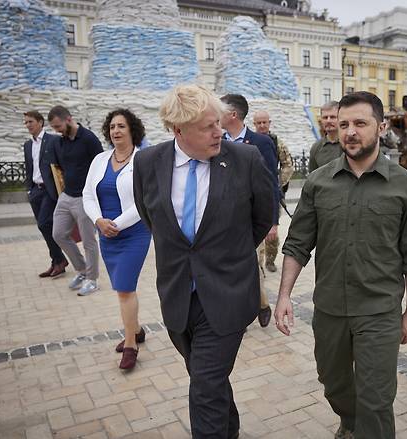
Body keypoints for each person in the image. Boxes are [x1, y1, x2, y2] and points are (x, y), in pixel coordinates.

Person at [274, 91, 407, 439]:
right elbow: (298, 244)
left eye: (360, 123)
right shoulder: (318, 182)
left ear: (381, 126)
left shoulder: (404, 185)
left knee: (376, 401)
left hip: (379, 311)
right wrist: (284, 295)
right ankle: (351, 421)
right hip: (330, 310)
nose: (350, 132)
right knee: (334, 385)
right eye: (344, 124)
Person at [133, 84, 273, 439]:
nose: (219, 132)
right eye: (208, 127)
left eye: (219, 123)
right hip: (179, 296)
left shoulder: (244, 160)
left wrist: (227, 255)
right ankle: (231, 429)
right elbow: (153, 218)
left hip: (228, 293)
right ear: (178, 131)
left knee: (205, 386)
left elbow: (262, 217)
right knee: (205, 377)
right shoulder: (148, 163)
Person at [82, 109, 152, 370]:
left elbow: (145, 199)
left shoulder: (143, 159)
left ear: (132, 130)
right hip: (105, 233)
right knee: (122, 288)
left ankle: (131, 344)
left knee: (124, 288)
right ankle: (136, 328)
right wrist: (99, 221)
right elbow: (87, 195)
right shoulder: (100, 159)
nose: (116, 131)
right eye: (112, 127)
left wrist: (118, 224)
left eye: (121, 126)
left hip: (134, 233)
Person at [220, 94, 280, 328]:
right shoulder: (218, 140)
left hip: (251, 217)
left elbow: (270, 185)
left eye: (220, 110)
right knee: (229, 266)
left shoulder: (261, 143)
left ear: (233, 114)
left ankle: (259, 304)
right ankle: (247, 309)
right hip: (223, 217)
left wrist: (272, 222)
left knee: (250, 264)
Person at [49, 105, 103, 296]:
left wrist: (96, 196)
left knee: (89, 241)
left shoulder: (89, 139)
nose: (57, 130)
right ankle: (81, 270)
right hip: (66, 196)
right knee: (58, 234)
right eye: (54, 128)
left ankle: (92, 279)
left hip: (85, 198)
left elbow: (101, 166)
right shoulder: (61, 141)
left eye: (58, 126)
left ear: (69, 119)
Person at [22, 110, 68, 278]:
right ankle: (56, 261)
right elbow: (28, 168)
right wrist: (29, 189)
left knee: (44, 224)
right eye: (26, 122)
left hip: (50, 191)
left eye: (30, 122)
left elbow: (62, 164)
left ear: (40, 122)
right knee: (44, 227)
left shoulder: (53, 140)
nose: (28, 125)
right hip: (35, 191)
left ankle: (59, 260)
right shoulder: (27, 145)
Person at [252, 109, 294, 273]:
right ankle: (258, 263)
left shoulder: (277, 142)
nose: (262, 125)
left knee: (272, 232)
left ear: (269, 123)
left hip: (271, 193)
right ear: (254, 124)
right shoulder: (249, 141)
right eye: (259, 123)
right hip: (253, 192)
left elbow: (287, 165)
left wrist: (277, 184)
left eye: (265, 122)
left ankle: (270, 259)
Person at [308, 100, 342, 172]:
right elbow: (312, 177)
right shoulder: (316, 147)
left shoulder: (350, 144)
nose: (328, 121)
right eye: (325, 117)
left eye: (332, 117)